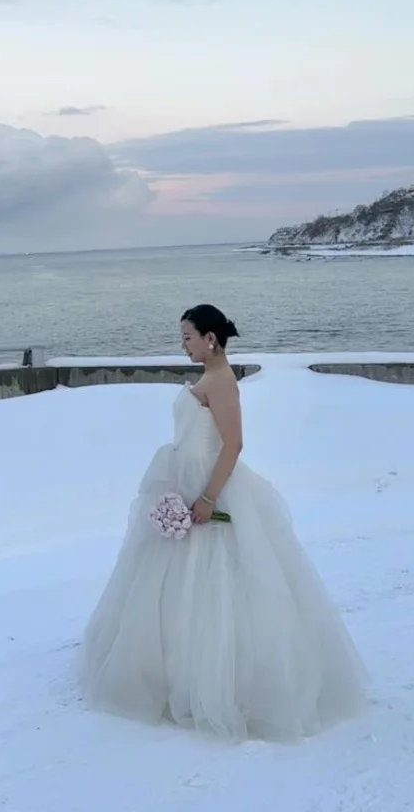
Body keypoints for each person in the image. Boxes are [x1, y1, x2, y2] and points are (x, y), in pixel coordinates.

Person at [78, 303, 367, 741]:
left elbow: (233, 444)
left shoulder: (222, 382)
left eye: (188, 337)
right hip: (187, 480)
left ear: (210, 338)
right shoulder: (209, 379)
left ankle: (220, 679)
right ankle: (172, 670)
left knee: (219, 583)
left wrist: (209, 497)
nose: (183, 344)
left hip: (211, 486)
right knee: (173, 584)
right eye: (182, 337)